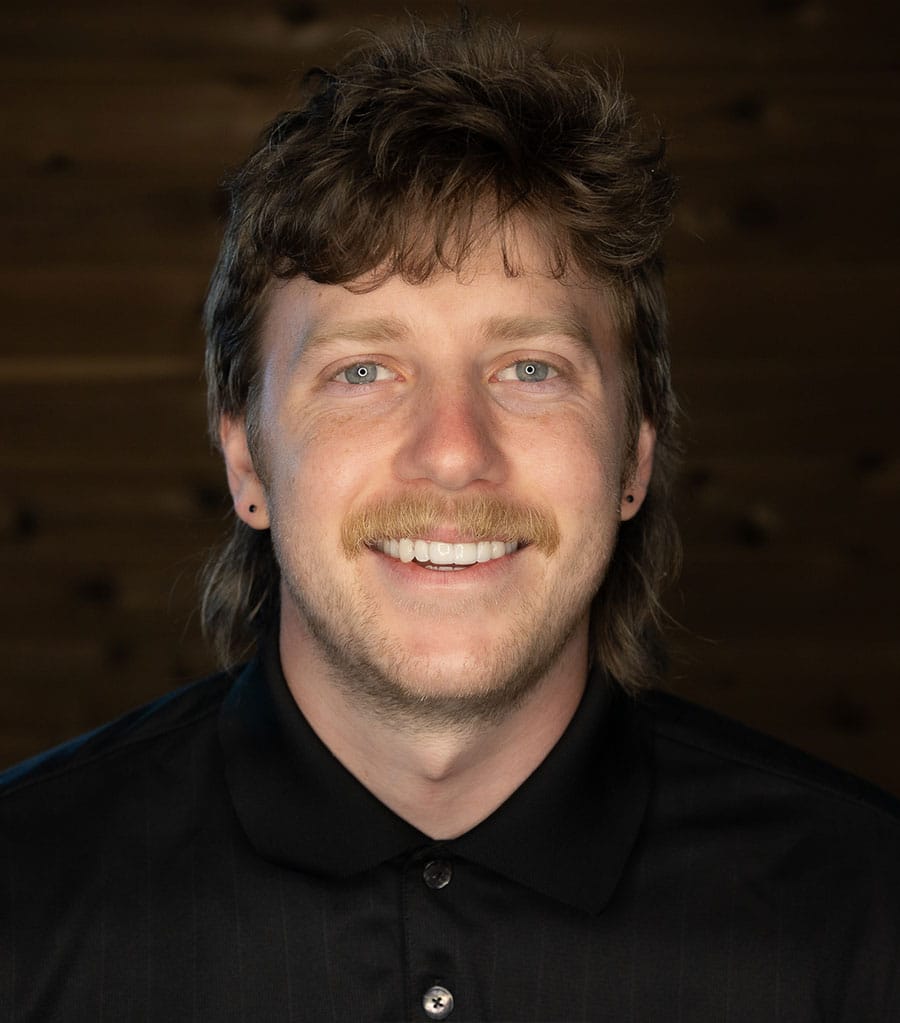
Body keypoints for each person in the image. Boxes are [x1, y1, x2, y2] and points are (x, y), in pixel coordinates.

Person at [1, 16, 897, 1022]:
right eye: (364, 371)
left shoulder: (865, 920)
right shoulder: (19, 905)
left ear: (634, 458)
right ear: (246, 459)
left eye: (529, 369)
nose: (454, 450)